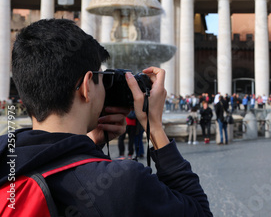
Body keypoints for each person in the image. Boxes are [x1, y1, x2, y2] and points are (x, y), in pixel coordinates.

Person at [0, 19, 212, 215]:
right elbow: (200, 211)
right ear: (86, 86)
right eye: (102, 79)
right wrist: (154, 126)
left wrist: (87, 146)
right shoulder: (123, 182)